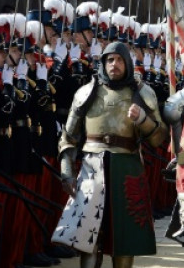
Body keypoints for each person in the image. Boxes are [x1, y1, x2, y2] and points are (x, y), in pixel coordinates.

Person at [52, 41, 166, 268]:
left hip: (127, 168)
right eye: (110, 59)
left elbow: (159, 138)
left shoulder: (143, 93)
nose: (114, 64)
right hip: (92, 168)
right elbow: (69, 137)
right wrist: (66, 172)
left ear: (128, 63)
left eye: (120, 59)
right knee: (89, 238)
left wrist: (143, 120)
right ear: (103, 63)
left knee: (124, 239)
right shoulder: (86, 92)